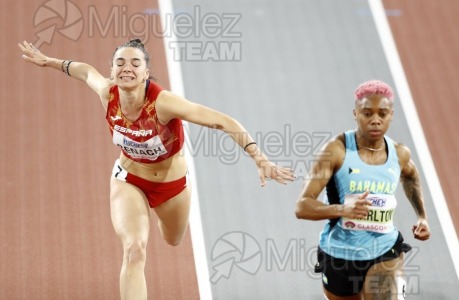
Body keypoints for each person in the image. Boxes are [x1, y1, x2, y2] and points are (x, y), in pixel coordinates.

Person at [19, 39, 295, 300]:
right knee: (134, 249)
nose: (127, 67)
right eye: (120, 62)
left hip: (171, 186)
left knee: (173, 239)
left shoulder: (163, 103)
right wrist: (50, 61)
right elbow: (82, 71)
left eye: (135, 63)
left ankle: (165, 217)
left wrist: (259, 158)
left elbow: (224, 122)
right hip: (129, 179)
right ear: (112, 71)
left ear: (146, 72)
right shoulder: (107, 92)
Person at [295, 80, 430, 300]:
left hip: (384, 248)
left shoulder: (399, 154)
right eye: (367, 113)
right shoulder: (335, 151)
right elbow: (302, 206)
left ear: (391, 115)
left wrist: (422, 216)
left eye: (382, 114)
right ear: (355, 113)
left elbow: (411, 177)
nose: (376, 120)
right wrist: (342, 209)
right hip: (340, 253)